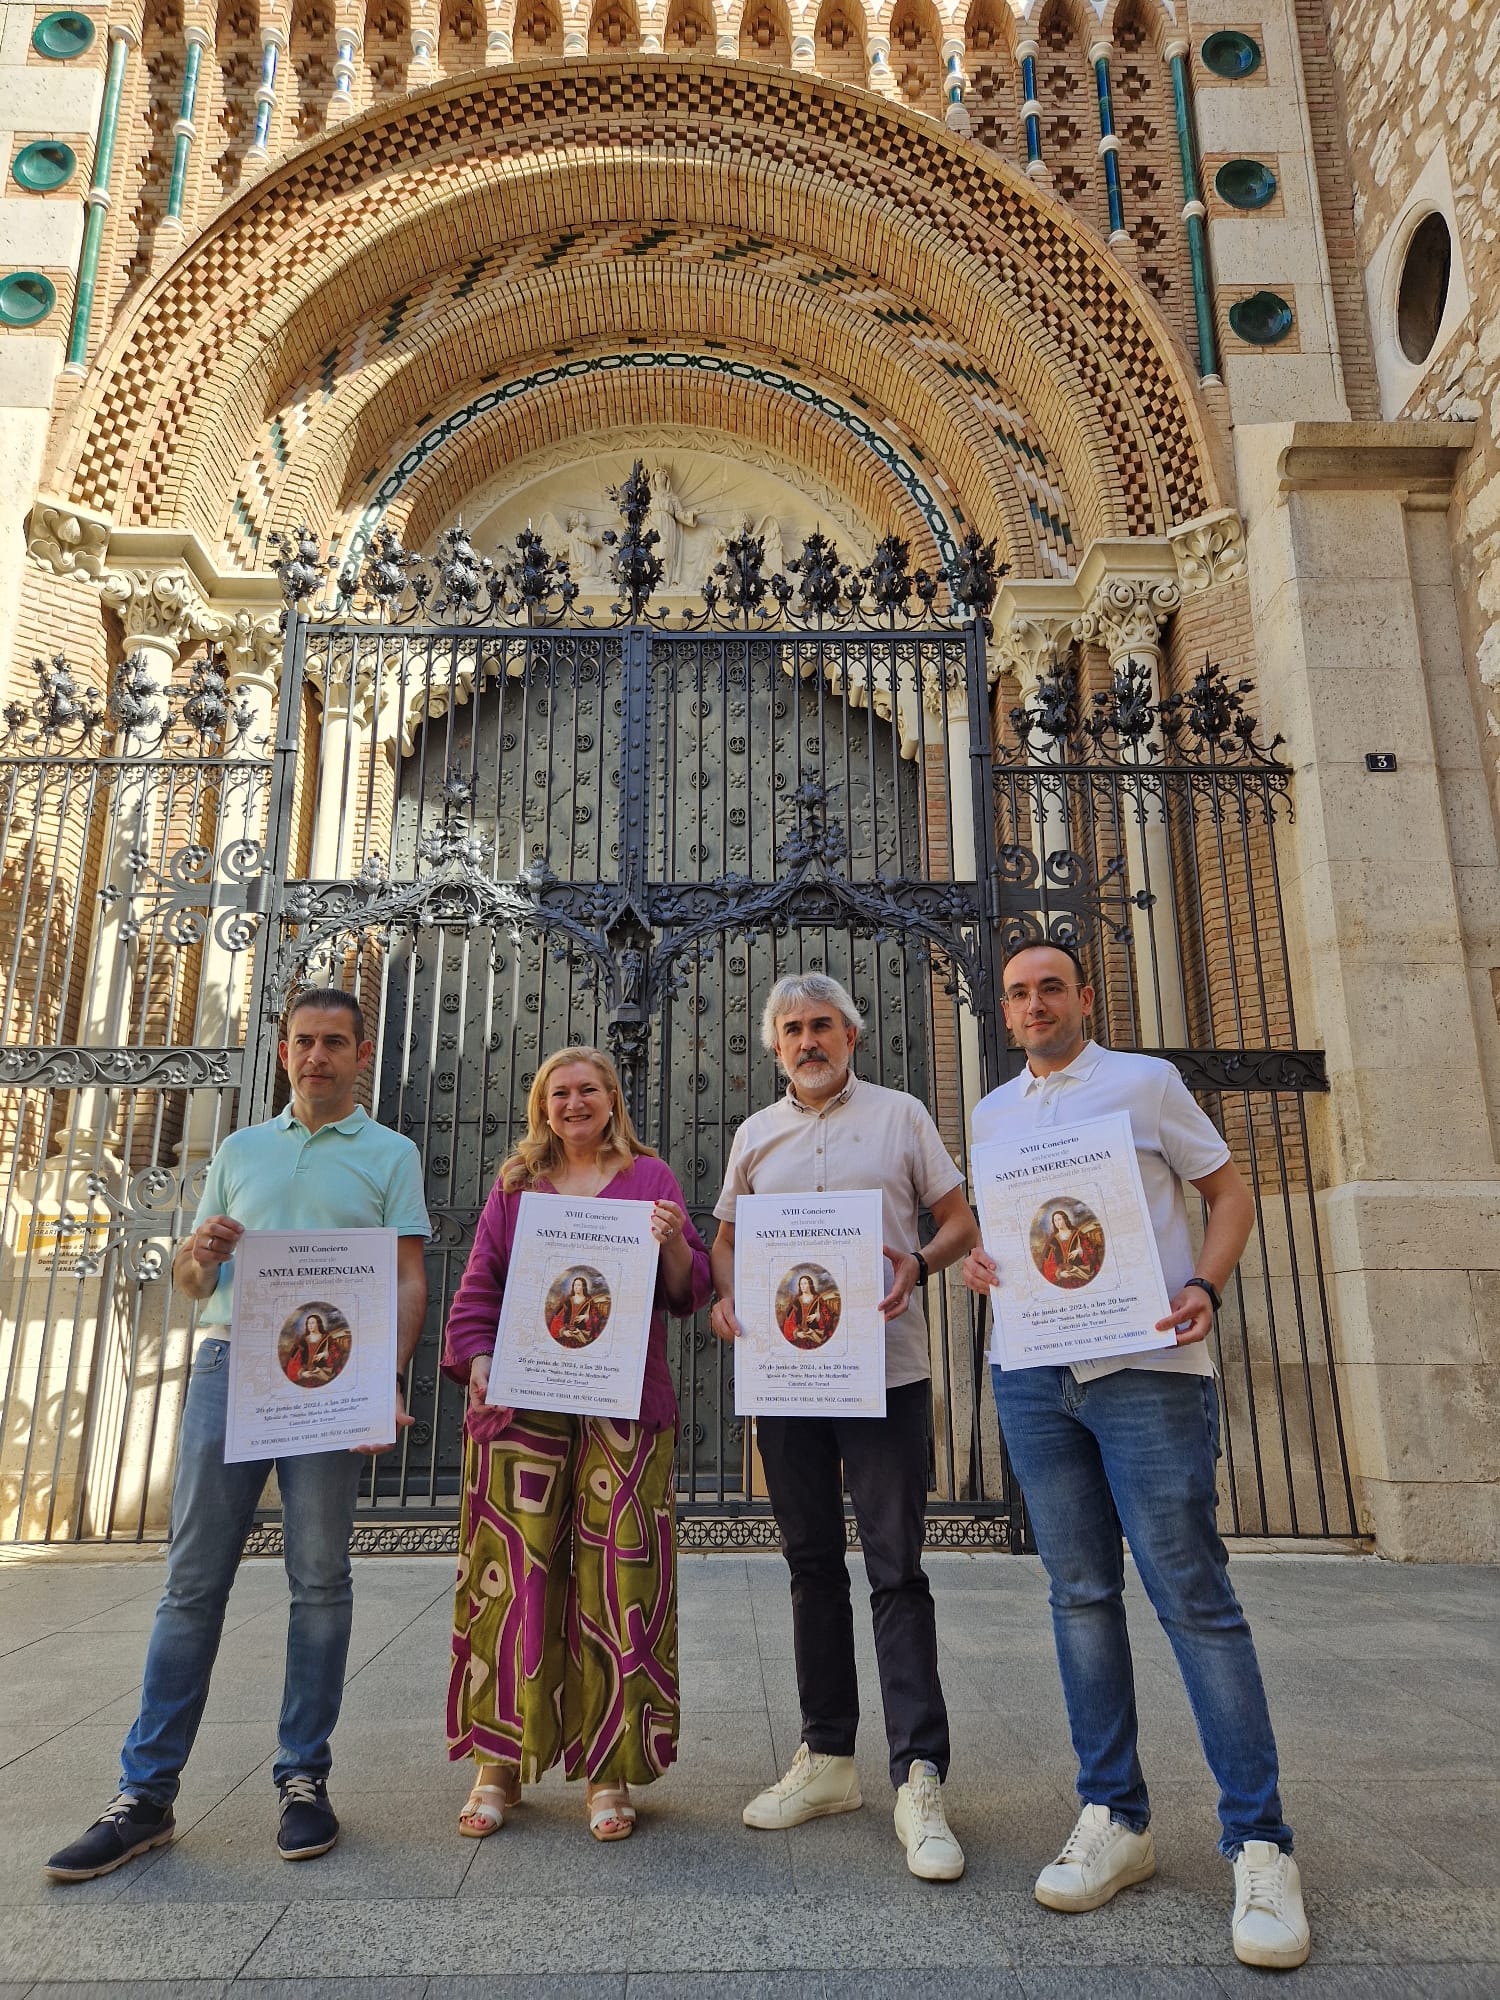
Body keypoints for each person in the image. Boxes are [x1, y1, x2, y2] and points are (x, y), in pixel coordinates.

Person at [962, 941, 1309, 1970]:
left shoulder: (1148, 1083)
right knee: (1077, 1593)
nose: (1032, 1004)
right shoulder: (990, 1112)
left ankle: (1260, 1840)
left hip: (1148, 1370)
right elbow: (1012, 1235)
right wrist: (985, 1258)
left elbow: (1230, 1192)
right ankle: (1116, 1814)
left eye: (1048, 987)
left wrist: (1205, 1283)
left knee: (1194, 1597)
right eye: (1017, 992)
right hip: (1031, 1371)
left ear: (1085, 996)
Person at [45, 989, 430, 1881]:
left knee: (321, 1580)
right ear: (285, 1051)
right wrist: (201, 1254)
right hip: (229, 1366)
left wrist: (387, 1379)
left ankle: (303, 1778)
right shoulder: (239, 1148)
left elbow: (407, 1278)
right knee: (190, 1583)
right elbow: (186, 1282)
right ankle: (144, 1795)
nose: (317, 1057)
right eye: (303, 1042)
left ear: (362, 1054)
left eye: (335, 1042)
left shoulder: (391, 1153)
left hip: (331, 1378)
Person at [710, 972, 978, 1882]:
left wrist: (918, 1264)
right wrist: (724, 1297)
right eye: (791, 1030)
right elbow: (727, 1242)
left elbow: (958, 1222)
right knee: (810, 1567)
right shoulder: (755, 1135)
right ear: (774, 1046)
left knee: (897, 1570)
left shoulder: (902, 1116)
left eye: (822, 1025)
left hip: (886, 1376)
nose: (807, 1041)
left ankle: (918, 1775)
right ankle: (827, 1759)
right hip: (787, 1382)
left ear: (851, 1037)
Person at [443, 1045, 710, 1842]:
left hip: (620, 1409)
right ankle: (498, 1764)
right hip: (524, 1407)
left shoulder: (651, 1179)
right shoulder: (516, 1186)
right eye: (559, 1092)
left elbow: (690, 1290)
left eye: (588, 1089)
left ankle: (610, 1769)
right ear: (541, 1106)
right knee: (512, 1578)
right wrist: (480, 1358)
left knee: (617, 1581)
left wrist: (670, 1242)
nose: (573, 1103)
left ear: (613, 1098)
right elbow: (481, 1281)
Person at [548, 1272, 605, 1347]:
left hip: (581, 1336)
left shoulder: (589, 1302)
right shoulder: (568, 1301)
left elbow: (597, 1319)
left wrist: (586, 1317)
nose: (576, 1287)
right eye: (575, 1285)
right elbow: (558, 1318)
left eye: (578, 1285)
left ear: (583, 1287)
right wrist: (563, 1332)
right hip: (567, 1335)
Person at [782, 1271, 836, 1348]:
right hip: (801, 1337)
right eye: (801, 1284)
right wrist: (797, 1334)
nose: (802, 1286)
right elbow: (789, 1321)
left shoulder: (818, 1299)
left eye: (805, 1283)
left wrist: (818, 1316)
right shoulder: (796, 1301)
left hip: (815, 1336)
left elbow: (828, 1316)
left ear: (810, 1285)